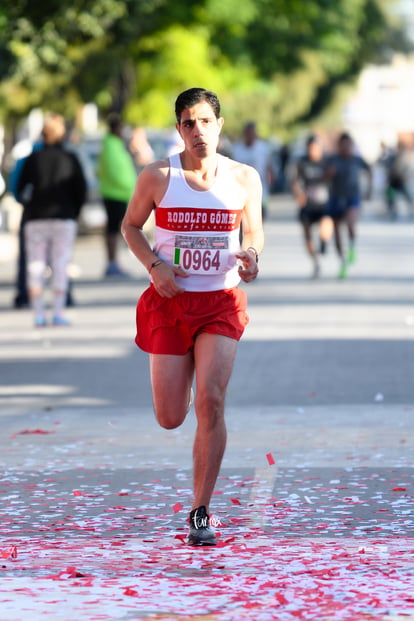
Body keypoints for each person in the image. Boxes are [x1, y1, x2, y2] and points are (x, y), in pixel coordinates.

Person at [121, 87, 264, 546]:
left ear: (219, 125)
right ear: (178, 129)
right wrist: (155, 266)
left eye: (205, 121)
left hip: (220, 302)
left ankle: (200, 510)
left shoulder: (244, 178)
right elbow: (130, 226)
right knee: (169, 417)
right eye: (188, 122)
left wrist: (253, 257)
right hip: (170, 301)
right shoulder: (158, 176)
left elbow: (254, 230)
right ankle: (183, 388)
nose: (198, 131)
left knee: (212, 403)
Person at [17, 113, 87, 326]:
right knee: (60, 264)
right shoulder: (70, 158)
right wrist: (73, 212)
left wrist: (27, 204)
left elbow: (20, 188)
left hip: (35, 218)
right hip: (63, 218)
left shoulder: (32, 158)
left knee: (35, 266)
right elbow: (81, 189)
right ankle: (57, 312)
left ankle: (38, 313)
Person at [326, 132, 372, 279]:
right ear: (339, 146)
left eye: (348, 145)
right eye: (343, 145)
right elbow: (324, 176)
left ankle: (352, 245)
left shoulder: (357, 160)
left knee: (351, 223)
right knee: (337, 232)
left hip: (353, 198)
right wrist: (328, 174)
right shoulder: (332, 159)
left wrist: (369, 189)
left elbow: (369, 169)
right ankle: (343, 260)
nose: (346, 148)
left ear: (351, 146)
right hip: (336, 198)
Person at [98, 113, 137, 277]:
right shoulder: (111, 146)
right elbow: (115, 172)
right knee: (114, 230)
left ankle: (114, 263)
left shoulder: (115, 145)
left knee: (115, 229)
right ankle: (112, 263)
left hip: (119, 193)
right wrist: (130, 187)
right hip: (115, 194)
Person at [291, 135, 333, 278]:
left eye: (316, 148)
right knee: (307, 237)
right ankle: (316, 262)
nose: (313, 151)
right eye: (311, 149)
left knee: (325, 225)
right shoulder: (302, 162)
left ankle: (324, 241)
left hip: (323, 204)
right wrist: (299, 194)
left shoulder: (327, 162)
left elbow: (335, 179)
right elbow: (295, 181)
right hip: (307, 204)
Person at [231, 121, 275, 220]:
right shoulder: (236, 149)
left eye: (252, 133)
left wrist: (271, 177)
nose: (250, 135)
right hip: (239, 190)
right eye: (247, 133)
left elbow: (269, 165)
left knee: (258, 219)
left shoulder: (263, 148)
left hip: (260, 189)